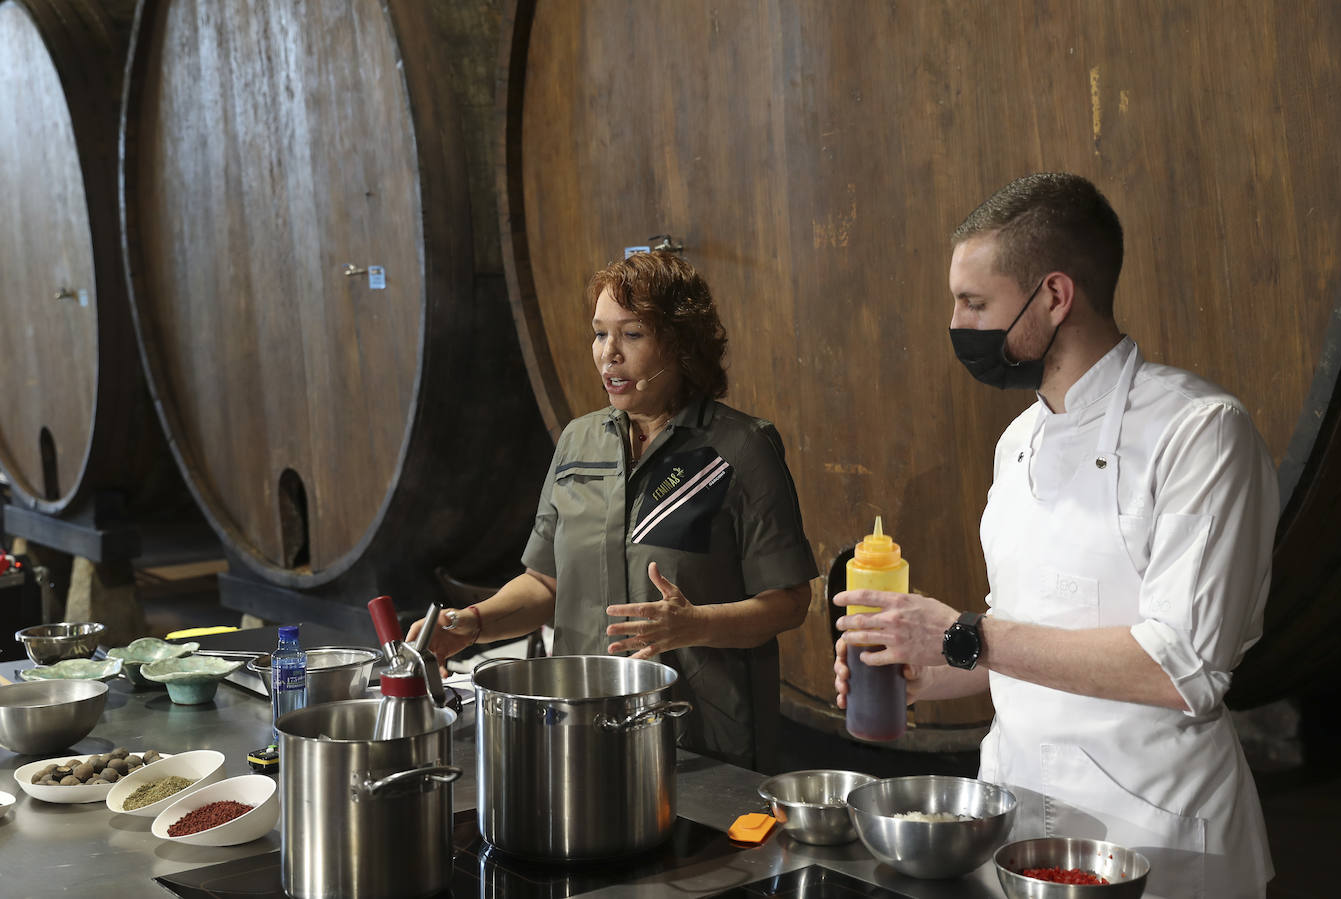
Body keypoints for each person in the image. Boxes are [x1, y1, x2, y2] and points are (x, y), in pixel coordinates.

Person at [833, 173, 1277, 897]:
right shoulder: (1018, 443)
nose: (957, 323)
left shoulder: (1199, 432)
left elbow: (1185, 666)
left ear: (1055, 295)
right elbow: (1031, 644)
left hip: (1156, 842)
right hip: (1016, 833)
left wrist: (964, 633)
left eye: (975, 303)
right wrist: (918, 668)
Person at [410, 250, 816, 770]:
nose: (609, 355)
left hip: (699, 741)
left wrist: (691, 626)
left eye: (633, 335)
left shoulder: (740, 448)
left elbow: (787, 602)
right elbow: (546, 585)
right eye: (600, 334)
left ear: (682, 344)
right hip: (578, 728)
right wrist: (470, 622)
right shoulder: (578, 441)